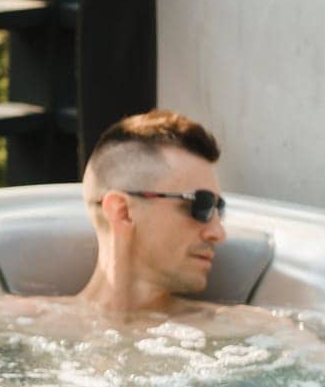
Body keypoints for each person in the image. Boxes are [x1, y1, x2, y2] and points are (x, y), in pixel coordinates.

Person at [75, 109, 230, 315]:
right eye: (201, 205)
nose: (219, 234)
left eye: (218, 209)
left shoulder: (252, 328)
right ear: (123, 213)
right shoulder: (26, 321)